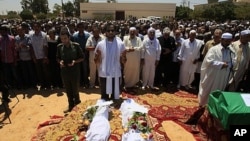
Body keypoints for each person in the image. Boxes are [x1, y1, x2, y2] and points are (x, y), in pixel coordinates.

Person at [198, 33, 236, 107]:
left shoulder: (231, 50)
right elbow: (209, 61)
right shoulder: (214, 49)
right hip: (213, 74)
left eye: (229, 41)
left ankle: (213, 106)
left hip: (223, 75)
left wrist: (229, 64)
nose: (227, 43)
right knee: (208, 90)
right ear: (221, 40)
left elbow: (234, 60)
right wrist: (221, 64)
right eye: (226, 41)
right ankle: (204, 104)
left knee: (219, 90)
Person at [94, 23, 126, 101]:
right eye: (108, 30)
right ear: (105, 32)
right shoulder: (100, 44)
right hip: (104, 73)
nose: (111, 32)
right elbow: (95, 61)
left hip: (115, 72)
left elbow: (124, 62)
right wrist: (97, 56)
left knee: (114, 97)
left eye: (112, 30)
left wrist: (123, 57)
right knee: (104, 96)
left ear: (115, 32)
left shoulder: (121, 44)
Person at [56, 27, 84, 113]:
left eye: (65, 38)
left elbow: (82, 57)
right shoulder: (59, 47)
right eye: (62, 39)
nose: (63, 40)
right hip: (65, 71)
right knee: (68, 89)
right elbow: (57, 57)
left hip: (74, 71)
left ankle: (78, 105)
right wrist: (60, 62)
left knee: (75, 89)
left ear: (69, 37)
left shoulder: (76, 46)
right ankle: (71, 105)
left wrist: (75, 61)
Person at [29, 22, 50, 90]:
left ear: (40, 27)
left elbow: (45, 46)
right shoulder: (31, 35)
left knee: (45, 72)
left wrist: (45, 56)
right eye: (34, 27)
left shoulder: (44, 35)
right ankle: (42, 85)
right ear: (33, 28)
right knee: (39, 72)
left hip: (43, 56)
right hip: (36, 57)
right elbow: (31, 47)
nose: (36, 28)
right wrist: (33, 57)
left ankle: (48, 85)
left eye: (37, 27)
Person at [123, 27, 143, 92]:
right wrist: (129, 49)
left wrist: (134, 49)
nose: (132, 32)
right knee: (127, 71)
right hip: (128, 59)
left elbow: (141, 47)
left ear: (135, 32)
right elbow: (123, 47)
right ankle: (127, 85)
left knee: (135, 72)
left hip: (136, 59)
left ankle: (134, 85)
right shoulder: (125, 38)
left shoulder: (139, 39)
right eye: (131, 31)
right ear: (129, 32)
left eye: (133, 31)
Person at [73, 22, 90, 88]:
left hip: (85, 53)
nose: (81, 28)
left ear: (84, 27)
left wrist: (85, 53)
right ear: (77, 28)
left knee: (85, 69)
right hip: (77, 54)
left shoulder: (88, 35)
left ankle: (86, 82)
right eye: (79, 27)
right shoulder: (75, 35)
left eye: (82, 27)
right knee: (78, 69)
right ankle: (80, 82)